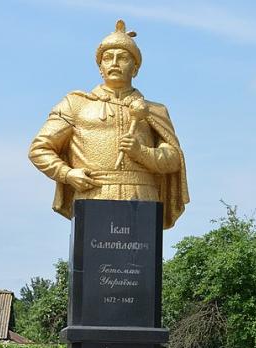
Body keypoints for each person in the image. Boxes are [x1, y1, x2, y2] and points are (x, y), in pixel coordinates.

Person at [28, 20, 189, 229]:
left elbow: (174, 160)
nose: (114, 63)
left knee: (139, 260)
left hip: (142, 196)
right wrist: (67, 173)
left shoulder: (155, 110)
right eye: (107, 58)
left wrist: (142, 153)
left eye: (123, 58)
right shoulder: (76, 103)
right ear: (100, 67)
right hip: (93, 193)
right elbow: (40, 148)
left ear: (135, 67)